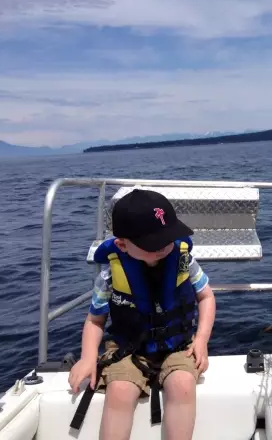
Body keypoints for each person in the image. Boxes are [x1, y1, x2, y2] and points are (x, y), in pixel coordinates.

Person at [68, 188, 216, 440]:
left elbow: (207, 297)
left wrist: (201, 339)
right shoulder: (110, 275)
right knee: (119, 391)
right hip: (129, 348)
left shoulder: (183, 260)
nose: (164, 247)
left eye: (169, 238)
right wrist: (88, 357)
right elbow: (95, 320)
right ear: (122, 245)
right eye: (153, 243)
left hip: (178, 345)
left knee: (182, 385)